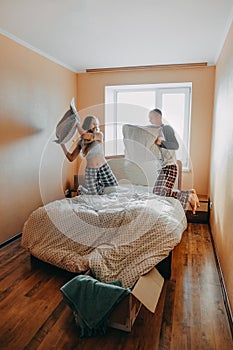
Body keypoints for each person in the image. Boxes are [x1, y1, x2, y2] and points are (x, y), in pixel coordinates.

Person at [149, 108, 200, 214]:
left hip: (170, 166)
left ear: (159, 117)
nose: (150, 121)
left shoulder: (166, 129)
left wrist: (160, 143)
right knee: (158, 192)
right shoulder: (155, 132)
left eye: (152, 118)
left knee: (159, 192)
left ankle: (188, 194)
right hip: (163, 167)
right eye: (149, 118)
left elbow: (175, 145)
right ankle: (189, 193)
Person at [60, 115, 118, 195]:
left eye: (96, 124)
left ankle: (82, 191)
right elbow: (71, 158)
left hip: (104, 168)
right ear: (87, 125)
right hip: (91, 171)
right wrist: (62, 144)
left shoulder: (99, 135)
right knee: (94, 196)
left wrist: (77, 125)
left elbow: (85, 135)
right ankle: (81, 190)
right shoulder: (81, 142)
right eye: (93, 123)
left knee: (114, 190)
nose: (96, 126)